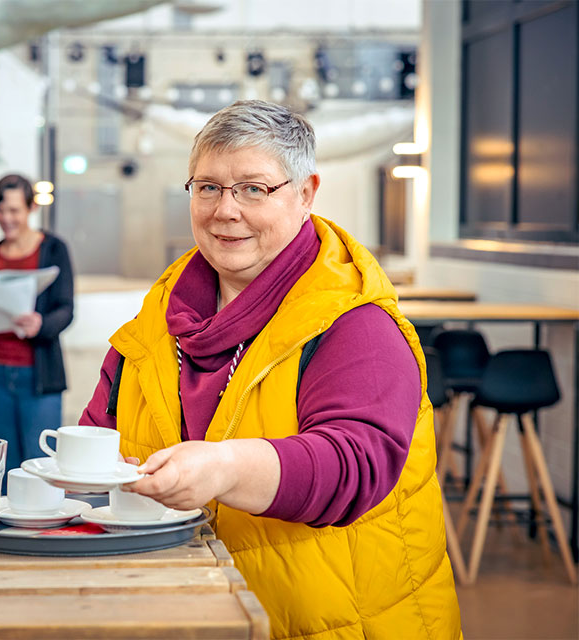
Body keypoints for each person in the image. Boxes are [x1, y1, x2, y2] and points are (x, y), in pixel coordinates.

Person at [80, 101, 462, 638]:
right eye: (207, 187)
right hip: (181, 614)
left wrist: (226, 468)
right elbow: (95, 443)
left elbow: (357, 465)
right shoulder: (155, 325)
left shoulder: (355, 323)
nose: (225, 210)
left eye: (253, 188)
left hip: (335, 623)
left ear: (305, 194)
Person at [0, 174, 74, 475]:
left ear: (30, 208)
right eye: (1, 211)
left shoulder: (53, 249)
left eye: (14, 210)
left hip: (39, 376)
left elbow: (66, 309)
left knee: (40, 468)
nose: (6, 218)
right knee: (2, 468)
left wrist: (40, 323)